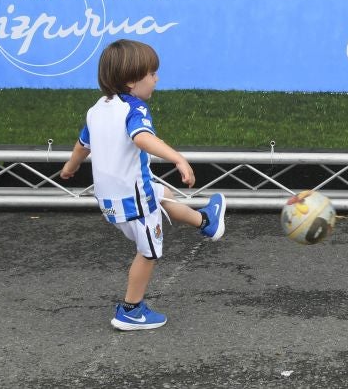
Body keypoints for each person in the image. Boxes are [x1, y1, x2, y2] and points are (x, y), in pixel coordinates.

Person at [59, 39, 227, 331]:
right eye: (152, 74)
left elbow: (82, 144)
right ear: (131, 81)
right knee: (148, 251)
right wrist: (178, 158)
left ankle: (205, 221)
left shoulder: (97, 109)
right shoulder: (134, 109)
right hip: (134, 200)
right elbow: (141, 138)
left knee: (163, 194)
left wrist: (70, 167)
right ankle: (131, 309)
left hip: (110, 198)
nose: (156, 79)